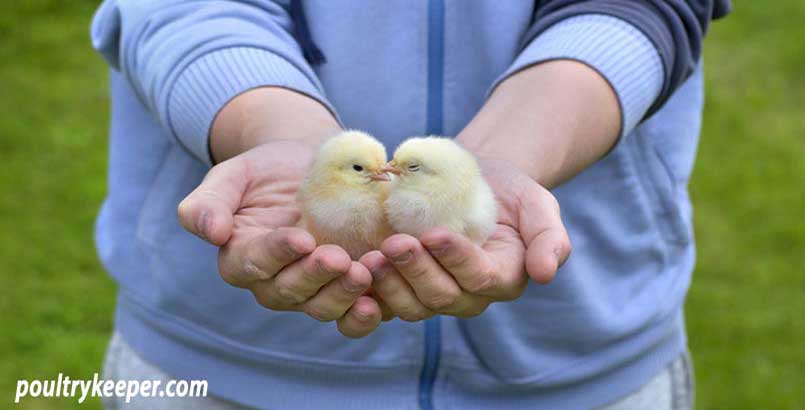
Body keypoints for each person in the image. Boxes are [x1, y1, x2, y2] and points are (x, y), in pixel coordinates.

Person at [91, 1, 731, 409]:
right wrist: (271, 126)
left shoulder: (426, 193)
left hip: (584, 368)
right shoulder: (350, 190)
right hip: (214, 372)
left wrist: (517, 149)